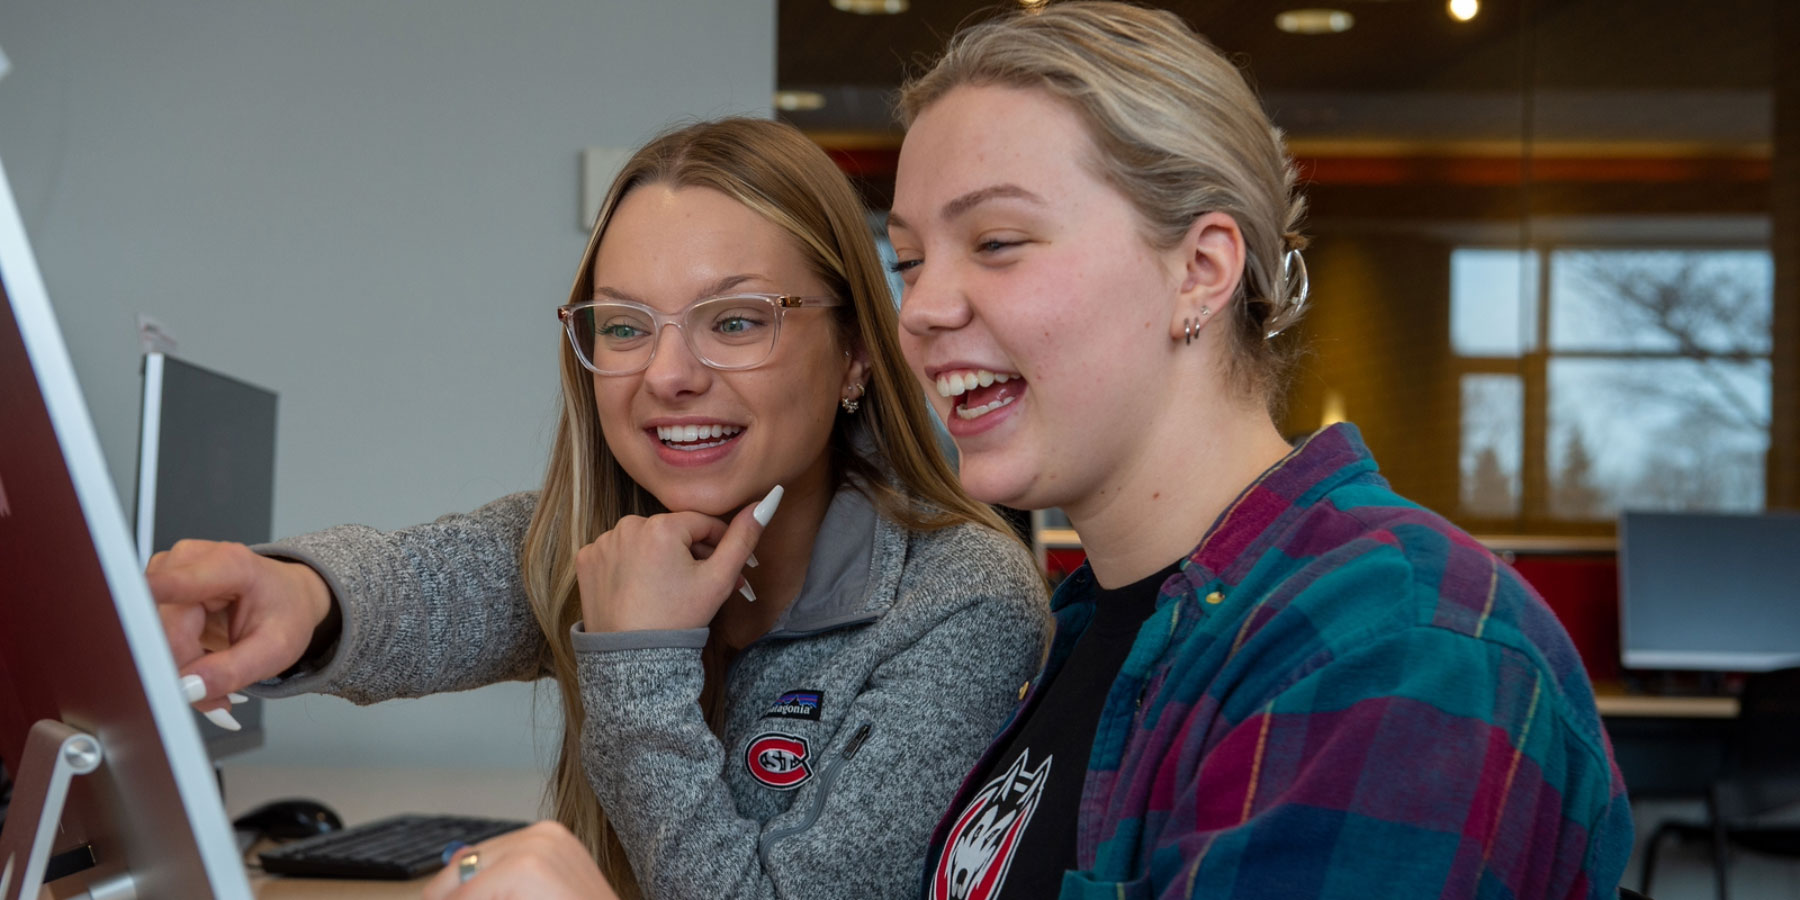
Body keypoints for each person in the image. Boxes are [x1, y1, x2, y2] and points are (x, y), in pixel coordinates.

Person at [151, 117, 1051, 900]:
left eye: (735, 321)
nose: (667, 375)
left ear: (855, 351)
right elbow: (435, 583)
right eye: (624, 327)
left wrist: (639, 660)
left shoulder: (958, 602)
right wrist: (301, 597)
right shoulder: (615, 534)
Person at [882, 3, 1634, 898]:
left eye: (997, 242)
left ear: (1201, 268)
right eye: (909, 261)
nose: (922, 308)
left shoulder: (1390, 642)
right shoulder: (1095, 626)